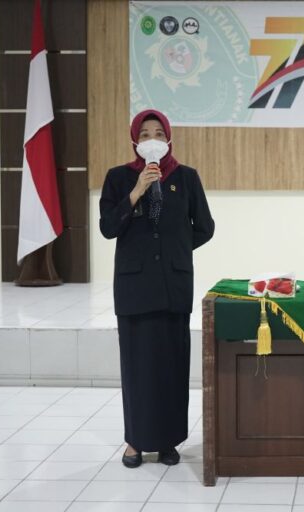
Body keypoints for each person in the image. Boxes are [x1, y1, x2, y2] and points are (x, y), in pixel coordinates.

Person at [99, 109, 215, 468]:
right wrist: (137, 191)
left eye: (159, 133)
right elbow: (107, 227)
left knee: (172, 367)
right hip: (134, 288)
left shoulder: (186, 177)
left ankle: (168, 442)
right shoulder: (119, 178)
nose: (153, 139)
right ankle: (135, 442)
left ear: (169, 139)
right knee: (138, 369)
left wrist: (174, 251)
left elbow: (205, 227)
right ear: (135, 140)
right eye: (146, 134)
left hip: (173, 286)